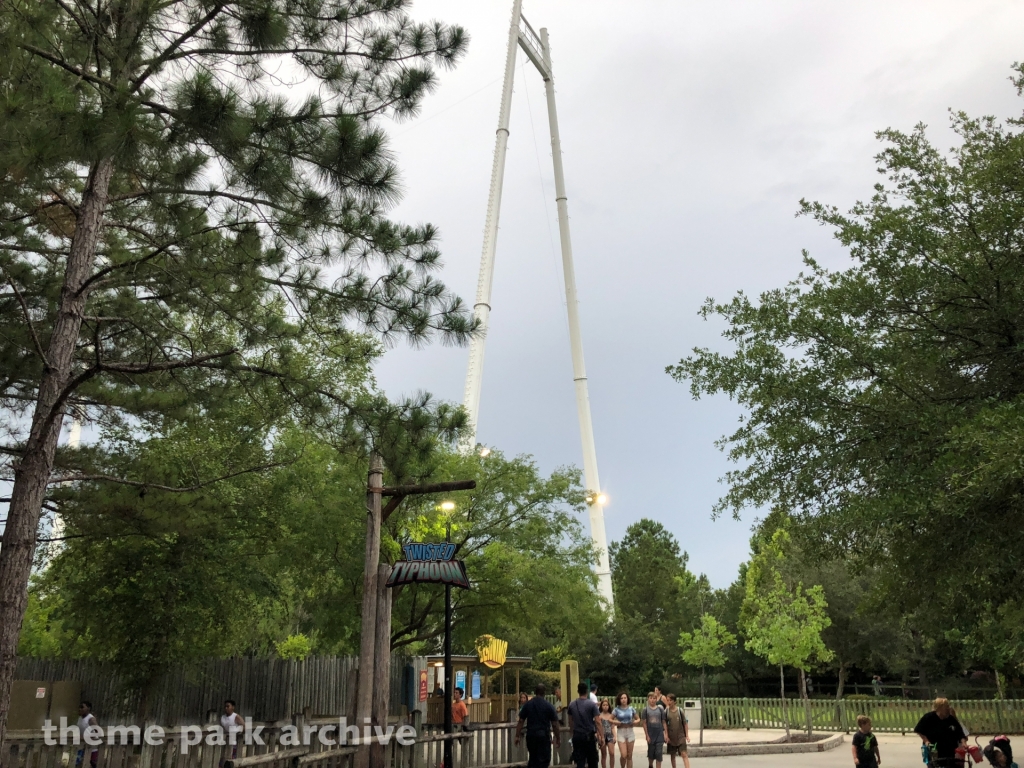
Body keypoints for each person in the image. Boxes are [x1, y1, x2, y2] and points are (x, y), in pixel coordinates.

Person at [516, 684, 561, 768]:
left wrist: (517, 736)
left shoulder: (528, 705)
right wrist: (558, 737)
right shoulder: (548, 706)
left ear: (535, 692)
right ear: (544, 693)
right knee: (544, 760)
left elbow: (521, 721)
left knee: (533, 759)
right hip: (543, 736)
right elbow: (555, 724)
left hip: (531, 736)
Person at [914, 698, 967, 768]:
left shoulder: (951, 719)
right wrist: (926, 741)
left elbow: (960, 733)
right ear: (939, 708)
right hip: (934, 750)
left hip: (950, 752)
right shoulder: (929, 717)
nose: (948, 708)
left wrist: (963, 742)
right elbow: (919, 730)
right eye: (946, 706)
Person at [568, 682, 603, 768]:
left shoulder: (572, 704)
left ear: (578, 691)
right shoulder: (591, 704)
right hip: (589, 736)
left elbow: (570, 721)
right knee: (592, 760)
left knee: (580, 760)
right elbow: (598, 721)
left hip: (577, 735)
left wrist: (572, 733)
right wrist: (601, 736)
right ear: (587, 691)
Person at [613, 693, 640, 768]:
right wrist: (615, 722)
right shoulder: (616, 709)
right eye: (622, 698)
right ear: (619, 700)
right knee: (624, 755)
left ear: (627, 699)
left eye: (625, 698)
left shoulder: (631, 709)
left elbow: (638, 719)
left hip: (630, 731)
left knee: (629, 755)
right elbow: (609, 719)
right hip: (621, 732)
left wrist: (635, 722)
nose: (623, 699)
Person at [642, 692, 668, 768]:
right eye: (651, 698)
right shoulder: (645, 710)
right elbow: (644, 723)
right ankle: (650, 765)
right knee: (651, 753)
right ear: (648, 699)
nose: (652, 700)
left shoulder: (660, 709)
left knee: (659, 753)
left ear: (656, 699)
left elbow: (663, 722)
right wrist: (647, 735)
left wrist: (666, 734)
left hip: (659, 734)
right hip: (650, 734)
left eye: (654, 698)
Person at [663, 694, 690, 768]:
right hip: (671, 737)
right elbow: (664, 723)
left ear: (675, 701)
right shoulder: (666, 712)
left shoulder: (679, 711)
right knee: (673, 755)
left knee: (684, 754)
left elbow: (685, 723)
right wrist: (666, 735)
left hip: (680, 736)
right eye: (667, 700)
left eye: (670, 700)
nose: (669, 702)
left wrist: (687, 735)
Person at [220, 700, 245, 765]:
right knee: (223, 758)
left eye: (228, 706)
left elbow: (243, 726)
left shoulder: (235, 717)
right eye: (225, 706)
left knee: (232, 759)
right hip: (225, 740)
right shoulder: (223, 717)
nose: (226, 708)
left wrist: (238, 734)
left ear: (233, 707)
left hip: (234, 741)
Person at [76, 702, 100, 768]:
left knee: (92, 764)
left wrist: (89, 737)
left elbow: (98, 732)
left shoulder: (91, 719)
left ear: (88, 708)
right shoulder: (80, 718)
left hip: (92, 748)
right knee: (78, 764)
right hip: (82, 746)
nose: (80, 709)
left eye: (82, 707)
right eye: (79, 707)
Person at [598, 699, 617, 768]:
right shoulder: (599, 716)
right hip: (602, 735)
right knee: (604, 754)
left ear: (609, 706)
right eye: (604, 705)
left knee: (612, 753)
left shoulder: (611, 716)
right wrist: (599, 736)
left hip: (610, 735)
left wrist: (615, 736)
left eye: (607, 705)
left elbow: (612, 727)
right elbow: (597, 727)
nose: (605, 706)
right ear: (601, 706)